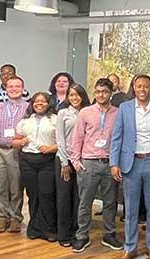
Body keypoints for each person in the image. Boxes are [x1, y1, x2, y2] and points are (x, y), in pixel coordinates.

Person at [110, 74, 150, 259]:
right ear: (134, 88)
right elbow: (116, 137)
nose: (142, 90)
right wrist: (114, 163)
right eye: (139, 86)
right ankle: (130, 247)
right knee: (131, 208)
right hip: (131, 163)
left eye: (146, 86)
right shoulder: (125, 108)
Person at [71, 78, 123, 252]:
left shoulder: (119, 112)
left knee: (110, 202)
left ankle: (109, 234)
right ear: (94, 92)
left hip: (110, 163)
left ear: (111, 93)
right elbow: (77, 137)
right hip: (89, 163)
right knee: (85, 202)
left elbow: (121, 138)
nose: (101, 95)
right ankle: (82, 236)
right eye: (98, 91)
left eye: (105, 92)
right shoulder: (85, 112)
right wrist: (75, 161)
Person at [0, 64, 30, 224]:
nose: (14, 89)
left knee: (16, 187)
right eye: (11, 86)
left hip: (18, 152)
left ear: (23, 89)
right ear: (6, 89)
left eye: (17, 86)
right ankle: (2, 217)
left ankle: (16, 218)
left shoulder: (28, 108)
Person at [14, 92, 58, 241]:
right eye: (36, 101)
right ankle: (34, 227)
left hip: (47, 160)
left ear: (48, 103)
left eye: (43, 101)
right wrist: (20, 142)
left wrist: (51, 148)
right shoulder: (25, 121)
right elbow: (15, 141)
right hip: (27, 160)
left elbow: (64, 143)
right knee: (32, 195)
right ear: (32, 104)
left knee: (47, 194)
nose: (39, 104)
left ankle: (49, 229)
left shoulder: (55, 120)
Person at [55, 83, 90, 246]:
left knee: (80, 199)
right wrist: (64, 163)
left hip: (84, 161)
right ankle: (64, 234)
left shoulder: (89, 112)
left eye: (77, 95)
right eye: (71, 95)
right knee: (64, 198)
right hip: (65, 160)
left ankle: (79, 232)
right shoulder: (63, 113)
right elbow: (60, 139)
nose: (74, 98)